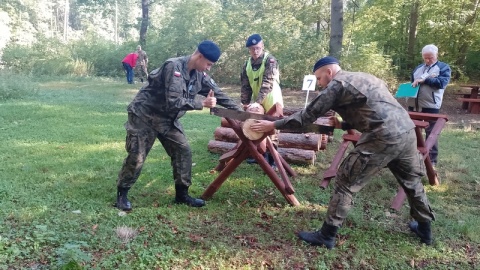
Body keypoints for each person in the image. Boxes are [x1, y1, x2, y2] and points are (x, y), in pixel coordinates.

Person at [250, 56, 436, 248]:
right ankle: (425, 229)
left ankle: (326, 235)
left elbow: (306, 117)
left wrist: (273, 125)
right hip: (407, 132)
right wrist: (343, 124)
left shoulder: (337, 85)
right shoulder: (365, 77)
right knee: (412, 182)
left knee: (345, 182)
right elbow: (373, 110)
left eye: (320, 79)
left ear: (329, 72)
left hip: (382, 137)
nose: (320, 84)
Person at [115, 40, 243, 211]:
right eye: (208, 64)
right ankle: (122, 194)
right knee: (137, 156)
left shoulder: (199, 75)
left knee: (183, 150)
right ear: (199, 56)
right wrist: (202, 103)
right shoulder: (173, 67)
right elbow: (173, 102)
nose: (208, 68)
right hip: (144, 115)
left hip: (167, 119)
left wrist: (241, 111)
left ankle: (182, 195)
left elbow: (220, 94)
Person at [240, 33, 283, 167]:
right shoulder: (246, 64)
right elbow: (245, 86)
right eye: (252, 48)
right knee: (257, 126)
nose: (255, 50)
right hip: (257, 100)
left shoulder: (270, 61)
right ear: (249, 49)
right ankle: (260, 154)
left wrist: (258, 102)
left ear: (262, 46)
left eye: (258, 47)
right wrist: (245, 103)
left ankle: (273, 159)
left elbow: (267, 83)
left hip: (272, 99)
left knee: (272, 129)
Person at [408, 44, 451, 169]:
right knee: (413, 131)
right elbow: (413, 83)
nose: (427, 60)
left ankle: (431, 161)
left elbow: (442, 83)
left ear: (436, 55)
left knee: (431, 133)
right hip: (414, 105)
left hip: (431, 105)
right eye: (425, 58)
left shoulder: (443, 67)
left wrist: (425, 80)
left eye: (430, 58)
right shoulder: (418, 68)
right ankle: (414, 158)